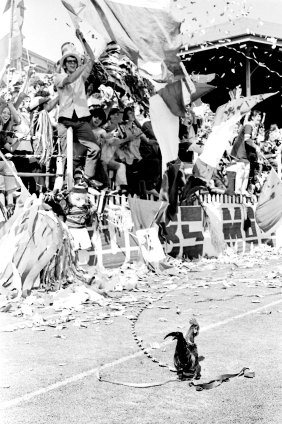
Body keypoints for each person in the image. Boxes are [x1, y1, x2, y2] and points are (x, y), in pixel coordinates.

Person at [53, 29, 102, 189]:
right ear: (65, 64)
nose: (73, 63)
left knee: (94, 148)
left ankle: (86, 179)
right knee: (66, 156)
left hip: (81, 120)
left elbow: (92, 58)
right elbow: (70, 79)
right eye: (69, 61)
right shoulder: (59, 77)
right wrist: (83, 64)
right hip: (65, 121)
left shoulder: (82, 76)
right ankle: (65, 188)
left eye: (75, 61)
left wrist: (83, 40)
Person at [91, 107, 128, 193]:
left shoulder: (117, 127)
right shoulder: (102, 129)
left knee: (121, 166)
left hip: (107, 157)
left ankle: (119, 188)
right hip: (97, 157)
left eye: (100, 118)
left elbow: (113, 141)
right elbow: (109, 138)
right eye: (115, 115)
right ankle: (107, 187)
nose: (117, 116)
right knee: (103, 163)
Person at [231, 109, 262, 196]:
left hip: (247, 154)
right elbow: (247, 139)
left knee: (246, 172)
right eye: (258, 116)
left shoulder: (253, 127)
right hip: (241, 152)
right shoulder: (249, 125)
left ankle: (243, 190)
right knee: (241, 172)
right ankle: (238, 190)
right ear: (252, 117)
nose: (259, 118)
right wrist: (256, 147)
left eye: (260, 116)